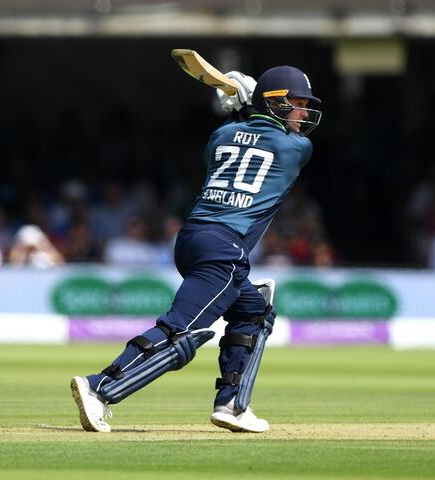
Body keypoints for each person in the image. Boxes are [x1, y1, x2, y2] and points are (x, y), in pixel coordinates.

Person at [71, 65, 322, 433]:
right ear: (275, 103)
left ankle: (232, 405)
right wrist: (246, 104)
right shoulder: (298, 147)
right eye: (297, 104)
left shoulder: (221, 134)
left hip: (192, 239)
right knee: (181, 330)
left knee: (254, 312)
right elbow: (269, 139)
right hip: (225, 246)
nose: (304, 114)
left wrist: (243, 110)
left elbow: (244, 138)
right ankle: (100, 387)